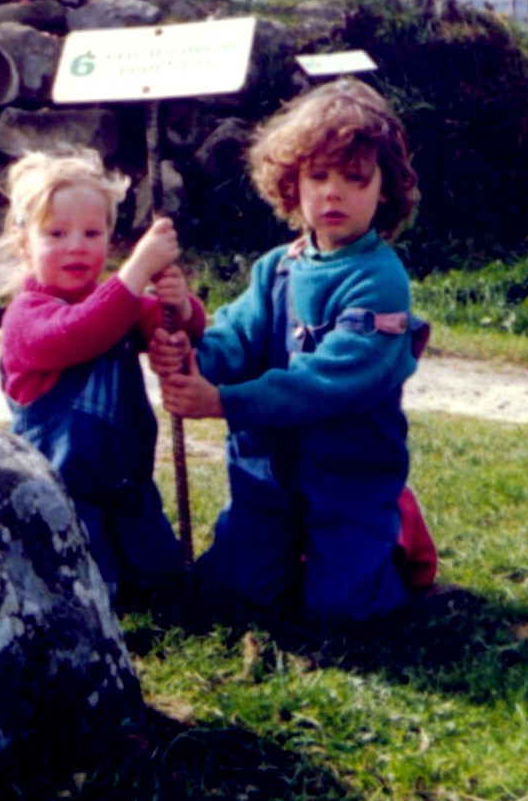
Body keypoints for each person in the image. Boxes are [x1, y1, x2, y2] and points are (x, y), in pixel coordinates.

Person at [150, 78, 435, 623]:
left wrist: (221, 402)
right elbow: (236, 335)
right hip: (268, 471)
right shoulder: (278, 266)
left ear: (385, 190)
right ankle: (284, 549)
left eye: (355, 178)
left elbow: (327, 381)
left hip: (346, 472)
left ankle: (396, 532)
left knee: (339, 609)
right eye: (318, 176)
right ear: (291, 185)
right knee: (238, 592)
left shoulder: (378, 279)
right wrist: (190, 353)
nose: (334, 193)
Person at [0, 148, 207, 600]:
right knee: (91, 593)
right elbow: (78, 333)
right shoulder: (25, 317)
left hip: (129, 487)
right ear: (23, 243)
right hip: (63, 493)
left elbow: (178, 325)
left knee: (164, 581)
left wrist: (180, 308)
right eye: (56, 233)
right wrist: (136, 272)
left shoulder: (118, 303)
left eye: (93, 232)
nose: (77, 245)